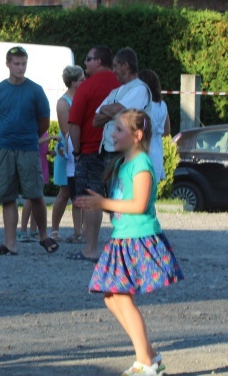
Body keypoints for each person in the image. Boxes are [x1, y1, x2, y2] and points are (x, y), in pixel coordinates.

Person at [75, 109, 183, 376]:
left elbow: (138, 204)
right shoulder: (123, 164)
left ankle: (144, 362)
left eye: (119, 130)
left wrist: (102, 203)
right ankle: (150, 355)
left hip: (138, 239)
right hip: (122, 238)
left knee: (121, 297)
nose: (113, 134)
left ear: (137, 135)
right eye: (114, 129)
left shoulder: (142, 164)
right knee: (112, 298)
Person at [0, 46, 56, 256]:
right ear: (7, 64)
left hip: (28, 148)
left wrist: (30, 136)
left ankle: (44, 236)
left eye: (23, 63)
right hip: (4, 148)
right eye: (16, 63)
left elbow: (44, 121)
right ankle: (10, 243)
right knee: (7, 196)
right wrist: (6, 136)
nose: (20, 67)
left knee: (35, 194)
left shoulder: (35, 90)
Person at [68, 46, 121, 261]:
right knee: (120, 198)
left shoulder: (86, 86)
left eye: (88, 59)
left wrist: (78, 151)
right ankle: (125, 247)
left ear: (98, 61)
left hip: (91, 151)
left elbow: (74, 124)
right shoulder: (122, 86)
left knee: (91, 199)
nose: (85, 63)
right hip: (118, 150)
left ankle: (91, 248)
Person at [94, 47, 152, 180]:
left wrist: (110, 110)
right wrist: (114, 111)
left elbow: (115, 109)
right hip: (109, 151)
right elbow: (96, 120)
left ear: (125, 66)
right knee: (111, 195)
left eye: (115, 66)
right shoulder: (115, 91)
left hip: (126, 152)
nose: (113, 71)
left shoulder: (140, 89)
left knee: (122, 194)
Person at [50, 66, 84, 243]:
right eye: (82, 79)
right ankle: (54, 229)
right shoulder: (63, 103)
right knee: (64, 191)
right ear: (73, 83)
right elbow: (66, 130)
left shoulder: (81, 98)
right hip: (68, 150)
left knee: (80, 191)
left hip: (80, 147)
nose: (84, 82)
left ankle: (79, 229)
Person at [18, 132, 57, 242]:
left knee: (37, 199)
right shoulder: (33, 129)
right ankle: (22, 230)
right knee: (30, 199)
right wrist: (50, 138)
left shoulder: (45, 132)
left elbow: (42, 149)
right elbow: (34, 142)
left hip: (42, 165)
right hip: (33, 165)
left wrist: (50, 152)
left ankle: (33, 231)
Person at [138, 69, 170, 181]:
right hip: (157, 148)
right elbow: (167, 131)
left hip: (144, 148)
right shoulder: (163, 105)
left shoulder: (144, 105)